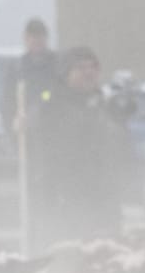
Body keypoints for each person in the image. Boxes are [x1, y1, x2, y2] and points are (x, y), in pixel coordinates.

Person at [29, 46, 130, 244]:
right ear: (67, 74)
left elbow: (120, 142)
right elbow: (37, 124)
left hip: (105, 195)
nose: (88, 72)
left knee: (106, 252)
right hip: (66, 195)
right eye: (80, 68)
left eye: (93, 67)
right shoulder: (53, 104)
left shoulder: (105, 104)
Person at [0, 17, 59, 134]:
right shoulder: (17, 69)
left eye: (40, 38)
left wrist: (42, 101)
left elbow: (54, 92)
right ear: (25, 39)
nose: (37, 42)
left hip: (52, 128)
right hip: (26, 134)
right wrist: (12, 124)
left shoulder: (57, 65)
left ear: (46, 39)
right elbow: (8, 100)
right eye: (33, 38)